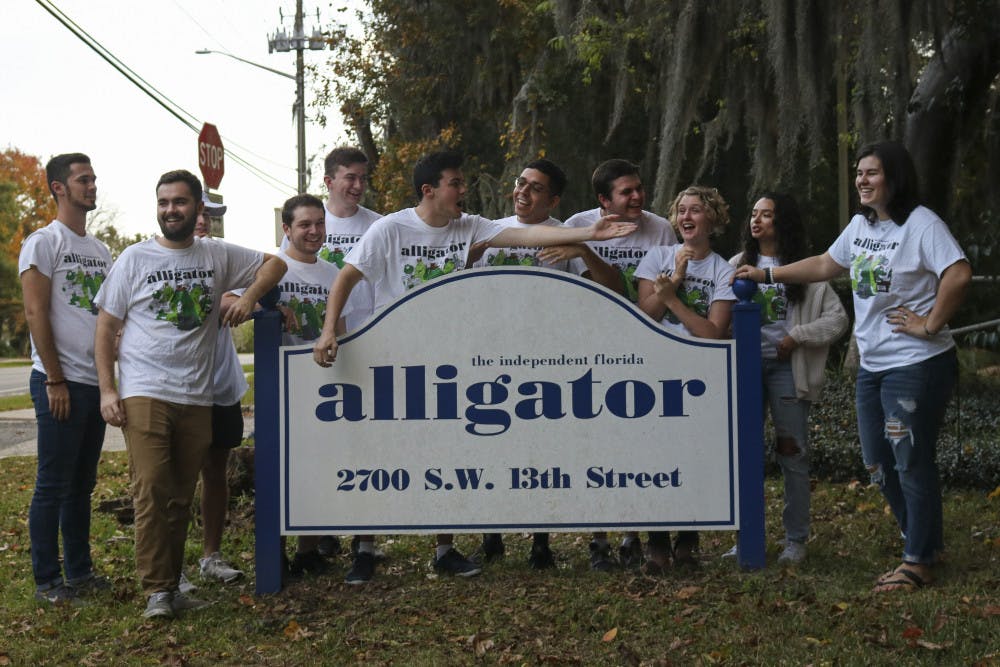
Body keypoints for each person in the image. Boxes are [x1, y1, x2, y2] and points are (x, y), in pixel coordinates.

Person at [312, 150, 638, 577]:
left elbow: (526, 235)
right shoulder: (390, 228)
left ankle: (444, 551)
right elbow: (347, 276)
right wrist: (328, 330)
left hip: (449, 360)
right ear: (430, 190)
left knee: (446, 453)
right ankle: (364, 550)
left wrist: (590, 232)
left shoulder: (470, 226)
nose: (464, 190)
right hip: (396, 358)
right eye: (456, 183)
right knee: (380, 453)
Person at [732, 141, 972, 591]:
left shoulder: (921, 224)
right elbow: (827, 263)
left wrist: (930, 324)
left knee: (909, 460)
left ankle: (918, 559)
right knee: (877, 463)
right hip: (873, 366)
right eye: (859, 172)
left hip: (916, 364)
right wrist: (767, 275)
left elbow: (957, 273)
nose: (862, 180)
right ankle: (924, 541)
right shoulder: (862, 225)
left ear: (894, 177)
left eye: (871, 172)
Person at [94, 169, 287, 619]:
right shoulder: (135, 259)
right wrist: (107, 389)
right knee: (151, 487)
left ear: (198, 208)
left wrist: (248, 298)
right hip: (145, 389)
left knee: (181, 494)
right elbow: (105, 326)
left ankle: (172, 584)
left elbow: (276, 264)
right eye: (163, 203)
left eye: (179, 202)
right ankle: (157, 591)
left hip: (198, 394)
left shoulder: (216, 254)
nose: (170, 210)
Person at [470, 158, 608, 569]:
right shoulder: (491, 231)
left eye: (535, 188)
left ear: (553, 200)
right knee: (489, 446)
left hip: (544, 361)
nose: (523, 192)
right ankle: (491, 537)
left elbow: (605, 290)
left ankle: (541, 543)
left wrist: (582, 249)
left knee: (541, 452)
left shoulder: (565, 235)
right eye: (521, 183)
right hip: (488, 357)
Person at [563, 159, 678, 571]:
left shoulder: (660, 229)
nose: (637, 197)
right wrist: (584, 247)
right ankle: (599, 541)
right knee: (595, 446)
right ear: (603, 200)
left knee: (641, 446)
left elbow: (662, 295)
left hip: (647, 346)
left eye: (639, 188)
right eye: (626, 192)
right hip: (592, 350)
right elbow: (599, 290)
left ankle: (636, 535)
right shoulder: (578, 226)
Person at [727, 192, 848, 564]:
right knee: (742, 454)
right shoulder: (737, 264)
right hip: (744, 368)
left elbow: (837, 320)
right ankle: (745, 538)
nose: (756, 220)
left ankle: (795, 539)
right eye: (754, 213)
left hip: (786, 370)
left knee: (792, 453)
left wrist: (798, 336)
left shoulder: (804, 271)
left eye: (766, 215)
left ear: (783, 222)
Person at [19, 153, 113, 604]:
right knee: (53, 486)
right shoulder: (43, 242)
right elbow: (35, 312)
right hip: (59, 382)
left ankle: (80, 573)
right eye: (83, 180)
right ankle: (47, 582)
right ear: (59, 187)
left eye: (93, 179)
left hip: (94, 382)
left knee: (81, 486)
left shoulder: (101, 251)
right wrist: (55, 380)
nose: (92, 186)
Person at [634, 185, 737, 572]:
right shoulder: (657, 257)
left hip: (699, 374)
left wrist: (672, 298)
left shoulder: (722, 270)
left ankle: (688, 542)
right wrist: (675, 275)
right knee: (656, 456)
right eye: (681, 211)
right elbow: (645, 317)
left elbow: (713, 334)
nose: (686, 217)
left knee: (692, 456)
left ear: (712, 218)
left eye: (695, 210)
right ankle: (657, 543)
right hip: (656, 371)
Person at [177, 193, 247, 595]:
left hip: (221, 384)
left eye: (208, 215)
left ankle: (211, 556)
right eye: (197, 212)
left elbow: (259, 285)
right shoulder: (162, 256)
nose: (203, 220)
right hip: (180, 388)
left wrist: (241, 298)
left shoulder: (222, 258)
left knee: (215, 472)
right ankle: (172, 566)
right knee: (176, 479)